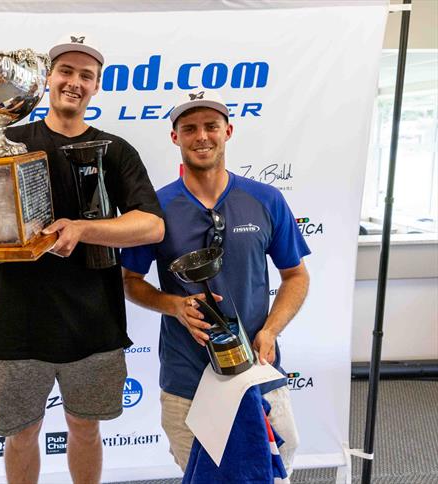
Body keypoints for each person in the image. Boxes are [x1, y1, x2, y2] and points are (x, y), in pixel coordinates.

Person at [0, 35, 165, 484]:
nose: (74, 82)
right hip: (19, 323)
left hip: (94, 321)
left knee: (85, 428)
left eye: (87, 76)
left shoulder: (115, 150)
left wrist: (84, 228)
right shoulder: (7, 142)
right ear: (48, 78)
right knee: (21, 434)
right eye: (66, 72)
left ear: (96, 87)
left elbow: (152, 225)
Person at [121, 90, 310, 475]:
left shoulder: (265, 199)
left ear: (228, 131)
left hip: (258, 371)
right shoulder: (155, 211)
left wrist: (271, 331)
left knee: (268, 475)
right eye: (189, 129)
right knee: (199, 476)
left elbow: (295, 276)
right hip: (187, 379)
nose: (201, 136)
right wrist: (175, 306)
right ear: (175, 138)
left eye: (211, 126)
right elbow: (131, 281)